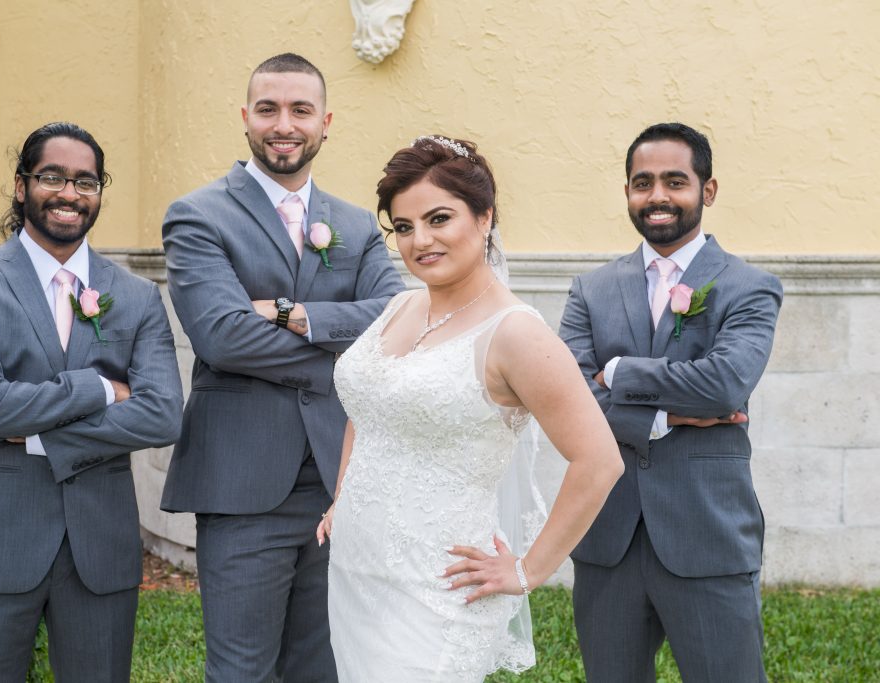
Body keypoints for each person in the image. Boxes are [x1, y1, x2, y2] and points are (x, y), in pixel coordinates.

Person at [317, 135, 624, 682]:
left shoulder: (516, 334)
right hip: (358, 571)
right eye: (404, 227)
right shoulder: (398, 306)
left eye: (439, 219)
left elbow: (600, 462)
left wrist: (528, 571)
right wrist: (345, 498)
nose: (420, 241)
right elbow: (368, 408)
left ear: (484, 218)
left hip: (442, 587)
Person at [158, 53, 404, 682]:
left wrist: (294, 314)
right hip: (242, 486)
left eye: (300, 110)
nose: (283, 124)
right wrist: (341, 357)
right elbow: (223, 338)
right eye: (268, 109)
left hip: (339, 480)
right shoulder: (198, 216)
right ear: (245, 118)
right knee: (241, 670)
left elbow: (397, 320)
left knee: (323, 668)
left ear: (326, 121)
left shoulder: (356, 225)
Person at [0, 122, 183, 681]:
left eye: (86, 182)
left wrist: (43, 435)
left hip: (100, 546)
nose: (70, 193)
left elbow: (163, 413)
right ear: (22, 186)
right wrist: (98, 388)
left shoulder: (138, 297)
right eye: (53, 177)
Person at [558, 122, 783, 682]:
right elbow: (566, 402)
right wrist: (666, 416)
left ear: (707, 190)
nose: (656, 196)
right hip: (608, 535)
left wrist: (617, 373)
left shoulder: (749, 286)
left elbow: (727, 384)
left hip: (705, 533)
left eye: (674, 181)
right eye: (642, 182)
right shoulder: (591, 289)